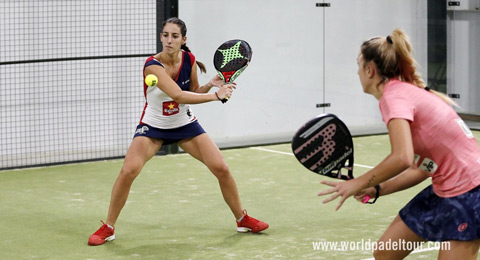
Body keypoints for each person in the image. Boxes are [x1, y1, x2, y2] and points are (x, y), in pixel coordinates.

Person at [88, 17, 268, 246]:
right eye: (165, 35)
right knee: (128, 171)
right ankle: (108, 227)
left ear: (183, 40)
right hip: (153, 126)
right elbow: (178, 95)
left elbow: (192, 91)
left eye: (174, 36)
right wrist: (216, 96)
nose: (168, 40)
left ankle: (242, 219)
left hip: (184, 124)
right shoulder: (152, 66)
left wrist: (210, 85)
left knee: (221, 168)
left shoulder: (189, 60)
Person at [317, 28, 480, 260]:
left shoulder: (394, 99)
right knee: (385, 252)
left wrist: (358, 183)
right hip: (445, 188)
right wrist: (376, 189)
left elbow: (402, 157)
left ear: (370, 70)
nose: (357, 73)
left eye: (358, 65)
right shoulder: (403, 93)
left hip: (471, 192)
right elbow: (424, 167)